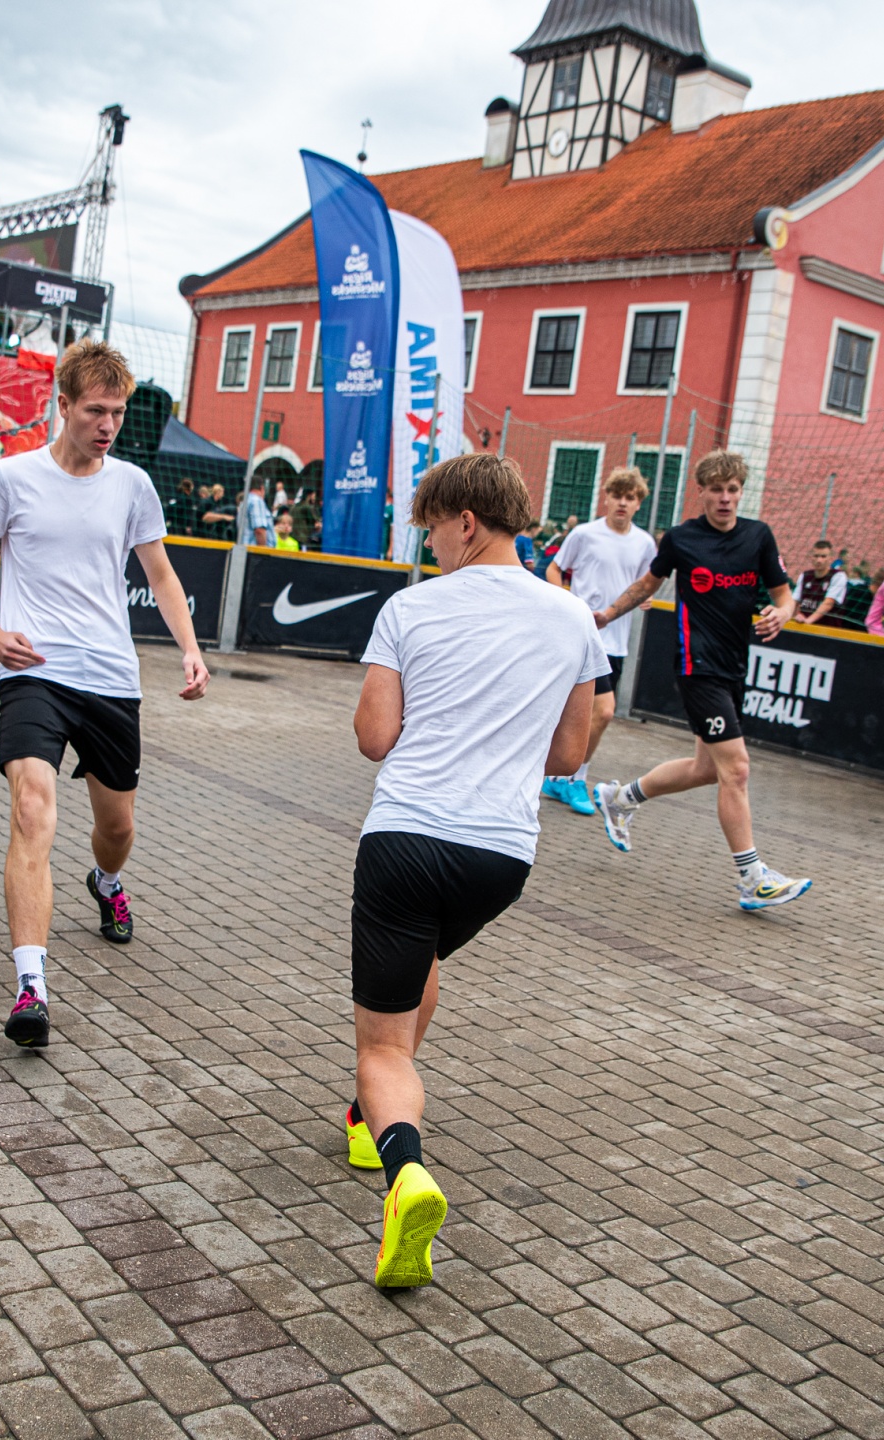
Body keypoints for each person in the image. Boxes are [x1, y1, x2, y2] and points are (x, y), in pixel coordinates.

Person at [343, 452, 601, 1288]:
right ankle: (364, 1118)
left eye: (432, 531)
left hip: (406, 838)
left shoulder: (410, 608)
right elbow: (569, 753)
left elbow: (374, 739)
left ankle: (404, 1170)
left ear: (465, 522)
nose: (430, 547)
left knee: (381, 1046)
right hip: (500, 856)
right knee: (419, 962)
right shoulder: (573, 618)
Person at [0, 340, 210, 1049]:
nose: (108, 424)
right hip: (33, 670)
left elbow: (160, 575)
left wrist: (190, 649)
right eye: (95, 410)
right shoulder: (12, 477)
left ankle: (105, 881)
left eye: (117, 413)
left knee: (117, 827)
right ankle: (30, 987)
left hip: (110, 677)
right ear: (63, 404)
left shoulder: (132, 484)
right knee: (32, 809)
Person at [588, 450, 813, 911]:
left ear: (740, 493)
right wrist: (608, 614)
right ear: (702, 492)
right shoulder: (682, 539)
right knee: (737, 769)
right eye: (717, 490)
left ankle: (620, 797)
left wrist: (783, 614)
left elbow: (784, 596)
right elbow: (647, 585)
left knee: (706, 769)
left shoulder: (758, 536)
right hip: (697, 667)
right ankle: (752, 879)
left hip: (733, 668)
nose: (725, 498)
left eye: (733, 490)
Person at [542, 468, 656, 814]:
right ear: (606, 497)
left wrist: (645, 597)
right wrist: (566, 600)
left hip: (616, 642)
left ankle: (557, 777)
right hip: (583, 637)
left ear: (638, 503)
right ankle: (574, 779)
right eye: (617, 495)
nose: (623, 502)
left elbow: (645, 584)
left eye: (630, 497)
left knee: (583, 715)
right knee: (604, 712)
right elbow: (554, 568)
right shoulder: (584, 534)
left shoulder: (645, 543)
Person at [794, 539, 848, 626]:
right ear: (811, 557)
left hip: (827, 630)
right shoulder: (805, 576)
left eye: (823, 556)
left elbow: (828, 603)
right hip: (804, 628)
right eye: (816, 556)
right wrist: (796, 615)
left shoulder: (838, 576)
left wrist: (808, 621)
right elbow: (794, 601)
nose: (819, 560)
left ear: (830, 558)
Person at [236, 483, 275, 548]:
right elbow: (259, 530)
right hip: (255, 550)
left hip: (244, 548)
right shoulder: (256, 500)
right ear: (262, 488)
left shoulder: (244, 502)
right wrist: (263, 550)